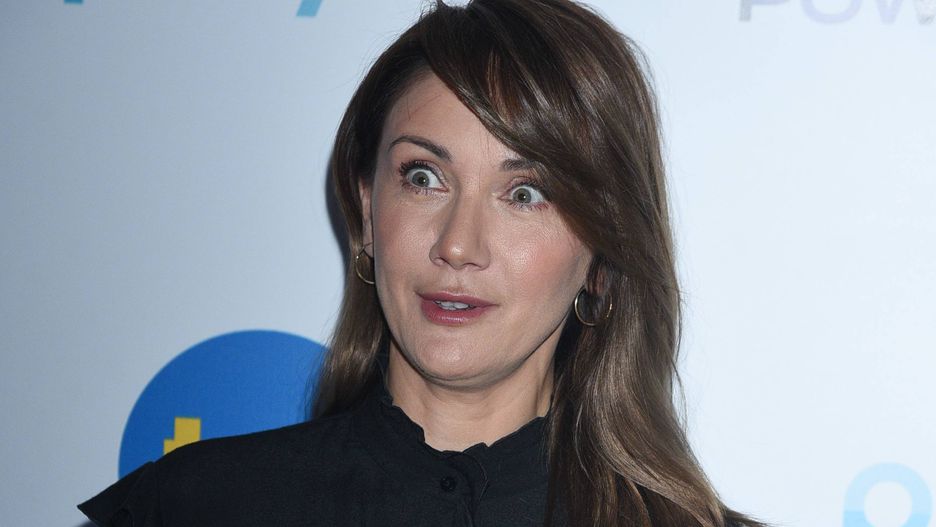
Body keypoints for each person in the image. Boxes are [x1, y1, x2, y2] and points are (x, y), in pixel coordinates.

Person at [79, 1, 763, 526]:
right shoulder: (197, 506)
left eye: (525, 194)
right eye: (424, 177)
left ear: (602, 258)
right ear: (366, 209)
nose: (458, 245)